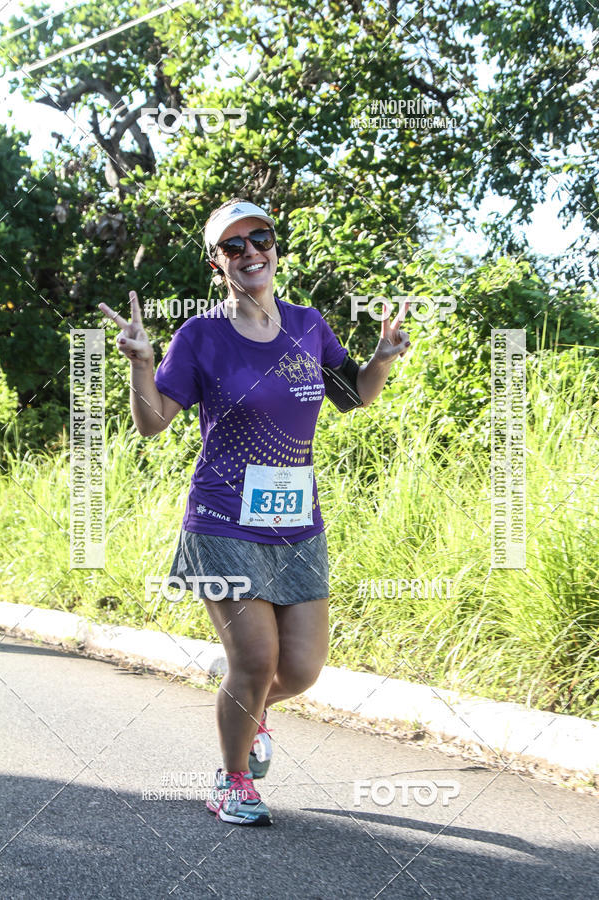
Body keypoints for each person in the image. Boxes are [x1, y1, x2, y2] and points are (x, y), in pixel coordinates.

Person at [99, 198, 411, 827]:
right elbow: (153, 423)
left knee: (301, 670)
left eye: (259, 238)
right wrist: (141, 364)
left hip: (298, 526)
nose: (250, 252)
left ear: (274, 248)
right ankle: (232, 780)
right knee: (256, 661)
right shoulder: (200, 335)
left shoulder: (308, 325)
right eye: (233, 246)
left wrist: (381, 356)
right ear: (217, 263)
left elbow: (354, 395)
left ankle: (251, 705)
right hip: (223, 521)